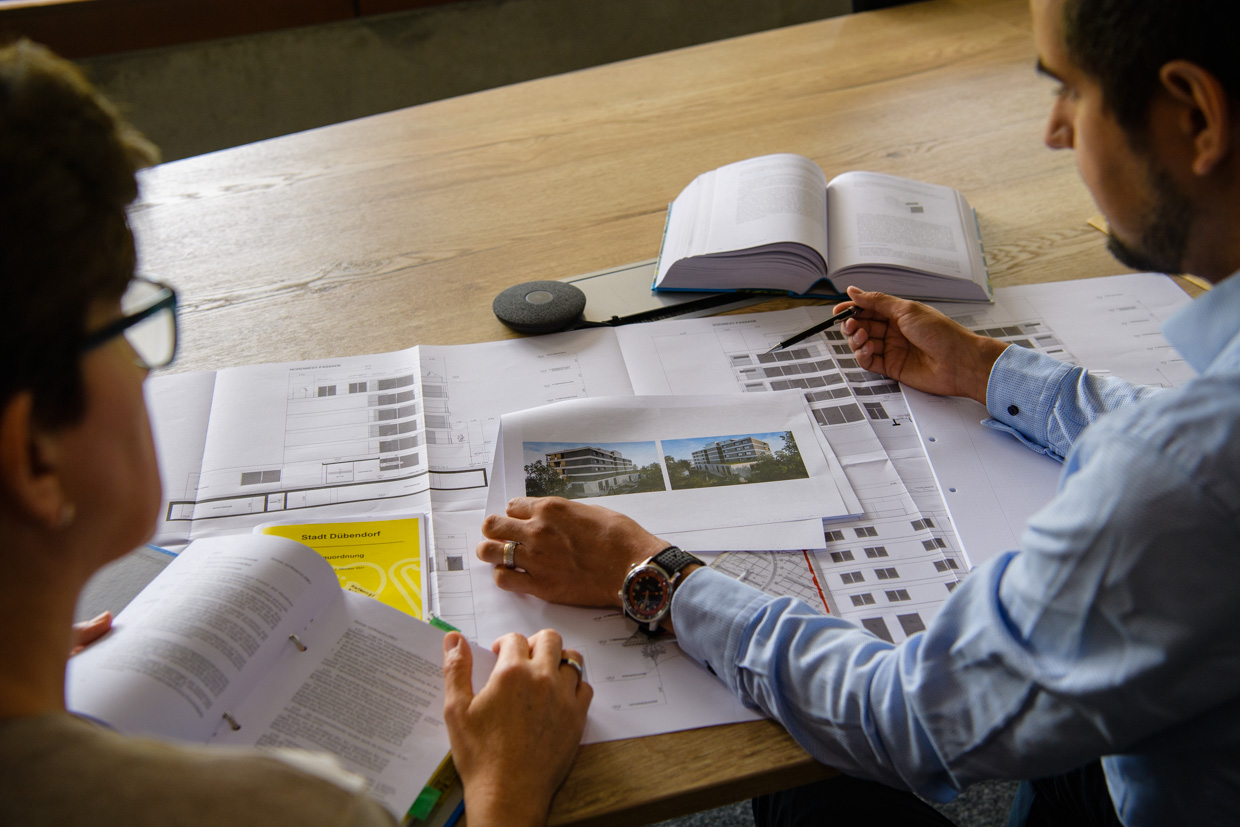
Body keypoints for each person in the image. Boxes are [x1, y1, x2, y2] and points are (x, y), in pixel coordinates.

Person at [474, 1, 1240, 825]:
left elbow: (907, 716)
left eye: (1071, 89)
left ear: (1195, 116)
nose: (1056, 130)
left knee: (801, 774)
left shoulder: (1181, 482)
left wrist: (650, 573)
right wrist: (987, 368)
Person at [0, 40, 591, 827]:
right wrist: (507, 792)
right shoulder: (290, 810)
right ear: (36, 454)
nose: (144, 374)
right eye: (123, 328)